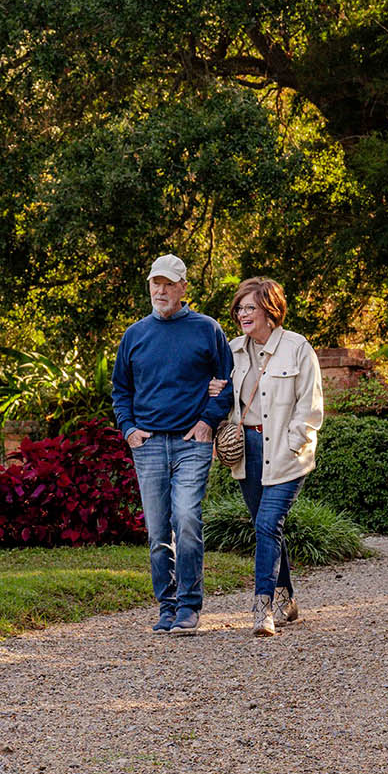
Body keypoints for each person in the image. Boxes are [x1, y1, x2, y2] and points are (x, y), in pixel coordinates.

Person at [111, 254, 233, 636]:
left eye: (168, 284)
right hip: (147, 445)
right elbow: (121, 390)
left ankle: (189, 606)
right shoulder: (135, 334)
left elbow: (227, 382)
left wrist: (206, 423)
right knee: (157, 530)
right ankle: (167, 606)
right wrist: (129, 428)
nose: (160, 291)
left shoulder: (207, 329)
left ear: (183, 288)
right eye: (154, 284)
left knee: (186, 519)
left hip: (191, 443)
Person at [221, 277, 323, 637]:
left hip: (286, 453)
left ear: (270, 309)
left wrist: (293, 446)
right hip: (246, 452)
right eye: (239, 308)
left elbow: (310, 407)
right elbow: (222, 399)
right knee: (267, 527)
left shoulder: (298, 348)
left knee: (267, 524)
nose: (242, 314)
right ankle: (288, 600)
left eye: (250, 307)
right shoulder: (231, 350)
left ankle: (262, 607)